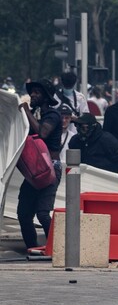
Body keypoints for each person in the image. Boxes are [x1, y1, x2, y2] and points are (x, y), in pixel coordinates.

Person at [17, 80, 64, 252]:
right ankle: (33, 248)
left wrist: (26, 111)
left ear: (46, 97)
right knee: (23, 214)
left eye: (37, 92)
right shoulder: (36, 115)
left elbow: (42, 133)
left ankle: (56, 249)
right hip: (34, 170)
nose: (33, 95)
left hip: (50, 169)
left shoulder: (53, 115)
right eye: (32, 92)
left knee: (43, 213)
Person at [68, 114, 118, 178]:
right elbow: (72, 164)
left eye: (83, 128)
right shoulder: (74, 141)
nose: (80, 130)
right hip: (84, 178)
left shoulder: (107, 140)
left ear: (92, 127)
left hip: (104, 179)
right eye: (77, 126)